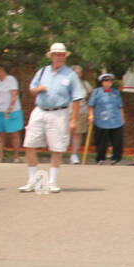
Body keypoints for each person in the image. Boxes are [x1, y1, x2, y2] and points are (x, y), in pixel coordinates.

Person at [20, 42, 84, 193]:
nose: (60, 57)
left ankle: (52, 181)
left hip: (59, 112)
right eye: (57, 55)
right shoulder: (43, 71)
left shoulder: (71, 75)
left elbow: (76, 98)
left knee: (57, 147)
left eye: (62, 55)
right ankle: (33, 180)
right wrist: (38, 89)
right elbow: (31, 89)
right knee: (29, 143)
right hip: (40, 110)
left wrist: (73, 119)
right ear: (52, 56)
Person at [88, 72, 125, 164]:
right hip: (101, 120)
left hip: (115, 119)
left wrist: (122, 117)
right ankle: (100, 158)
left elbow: (120, 106)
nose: (109, 82)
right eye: (106, 80)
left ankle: (116, 158)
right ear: (102, 82)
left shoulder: (115, 92)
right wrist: (91, 115)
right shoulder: (96, 92)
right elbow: (91, 105)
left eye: (110, 80)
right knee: (101, 141)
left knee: (117, 141)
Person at [0, 65, 22, 163]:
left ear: (4, 70)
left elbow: (14, 94)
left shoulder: (11, 79)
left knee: (14, 134)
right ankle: (0, 155)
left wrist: (10, 108)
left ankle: (16, 156)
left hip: (12, 111)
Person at [67, 64, 92, 164]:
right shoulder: (66, 84)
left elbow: (92, 95)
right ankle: (59, 152)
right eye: (75, 73)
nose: (77, 75)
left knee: (77, 134)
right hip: (68, 110)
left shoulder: (85, 84)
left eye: (79, 73)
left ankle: (74, 155)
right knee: (65, 133)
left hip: (82, 111)